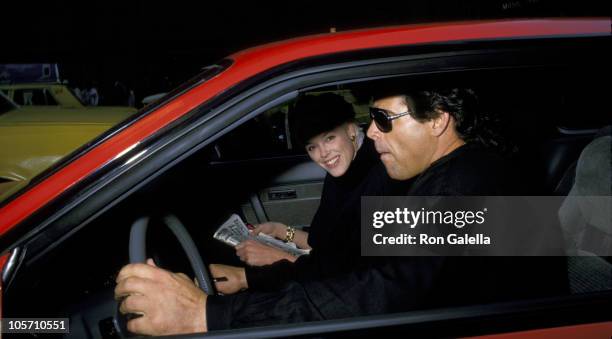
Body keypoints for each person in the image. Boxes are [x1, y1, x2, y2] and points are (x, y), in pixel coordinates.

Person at [115, 88, 568, 335]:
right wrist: (255, 282)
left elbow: (379, 293)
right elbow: (351, 263)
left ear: (437, 119)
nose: (370, 134)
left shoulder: (466, 188)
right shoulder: (444, 178)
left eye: (383, 120)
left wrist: (208, 316)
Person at [210, 92, 399, 295]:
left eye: (330, 138)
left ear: (351, 130)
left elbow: (349, 278)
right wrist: (281, 231)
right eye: (312, 147)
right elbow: (326, 243)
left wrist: (262, 267)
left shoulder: (380, 179)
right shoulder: (343, 170)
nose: (323, 154)